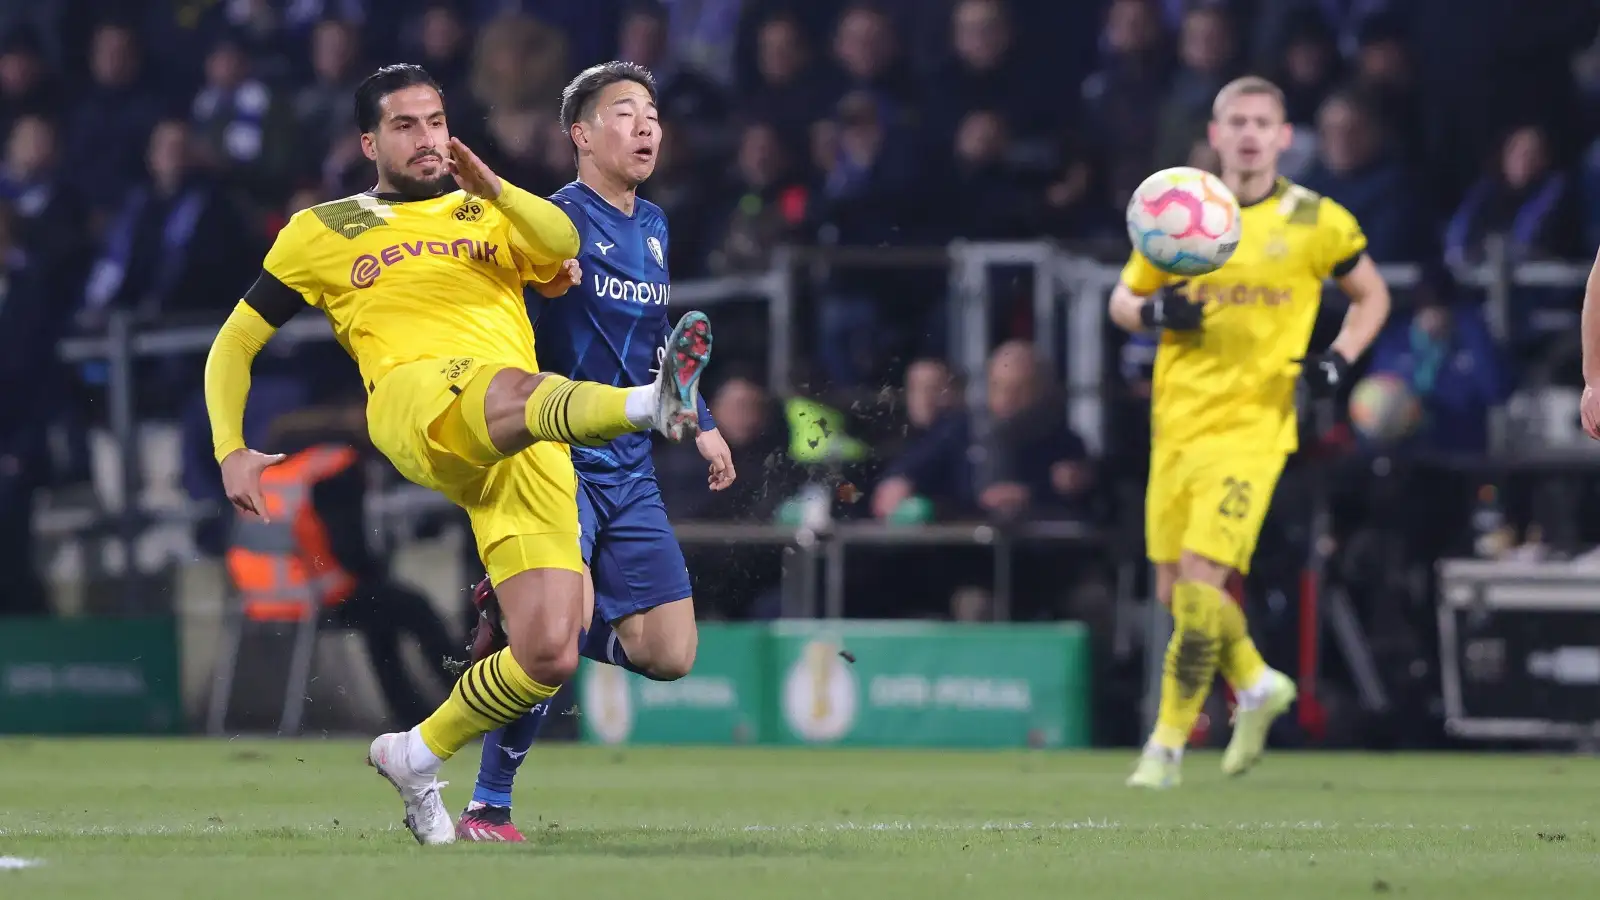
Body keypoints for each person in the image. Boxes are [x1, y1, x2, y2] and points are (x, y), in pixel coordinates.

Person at [201, 64, 714, 845]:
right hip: (420, 401)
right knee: (512, 382)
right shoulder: (324, 228)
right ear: (369, 141)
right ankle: (651, 404)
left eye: (436, 120)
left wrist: (497, 190)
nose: (427, 137)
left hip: (529, 442)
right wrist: (230, 446)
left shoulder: (488, 211)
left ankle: (416, 751)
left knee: (547, 654)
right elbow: (236, 342)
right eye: (405, 125)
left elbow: (561, 241)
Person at [451, 61, 737, 843]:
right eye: (624, 113)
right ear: (580, 134)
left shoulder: (655, 226)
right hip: (552, 455)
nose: (646, 125)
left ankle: (541, 627)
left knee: (670, 654)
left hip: (630, 462)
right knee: (556, 639)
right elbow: (490, 290)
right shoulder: (551, 223)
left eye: (651, 113)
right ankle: (487, 807)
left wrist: (700, 417)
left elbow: (654, 347)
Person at [1109, 75, 1391, 789]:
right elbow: (1122, 296)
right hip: (1176, 423)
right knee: (1177, 593)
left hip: (1255, 426)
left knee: (1206, 581)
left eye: (1262, 122)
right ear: (1214, 130)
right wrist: (1152, 317)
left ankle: (1165, 746)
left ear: (1283, 136)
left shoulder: (1314, 220)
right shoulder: (1185, 211)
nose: (1248, 134)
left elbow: (1373, 295)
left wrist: (1340, 358)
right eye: (1236, 120)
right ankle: (1257, 682)